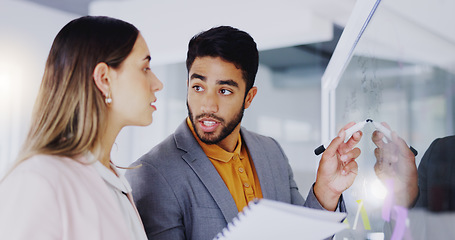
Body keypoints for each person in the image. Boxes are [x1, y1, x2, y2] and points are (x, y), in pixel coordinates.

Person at [125, 26, 362, 240]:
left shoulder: (271, 152)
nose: (207, 105)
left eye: (224, 91)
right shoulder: (152, 173)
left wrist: (327, 190)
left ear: (249, 97)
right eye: (198, 87)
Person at [0, 16, 163, 239]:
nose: (157, 83)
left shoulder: (114, 182)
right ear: (104, 79)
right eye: (145, 68)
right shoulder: (38, 179)